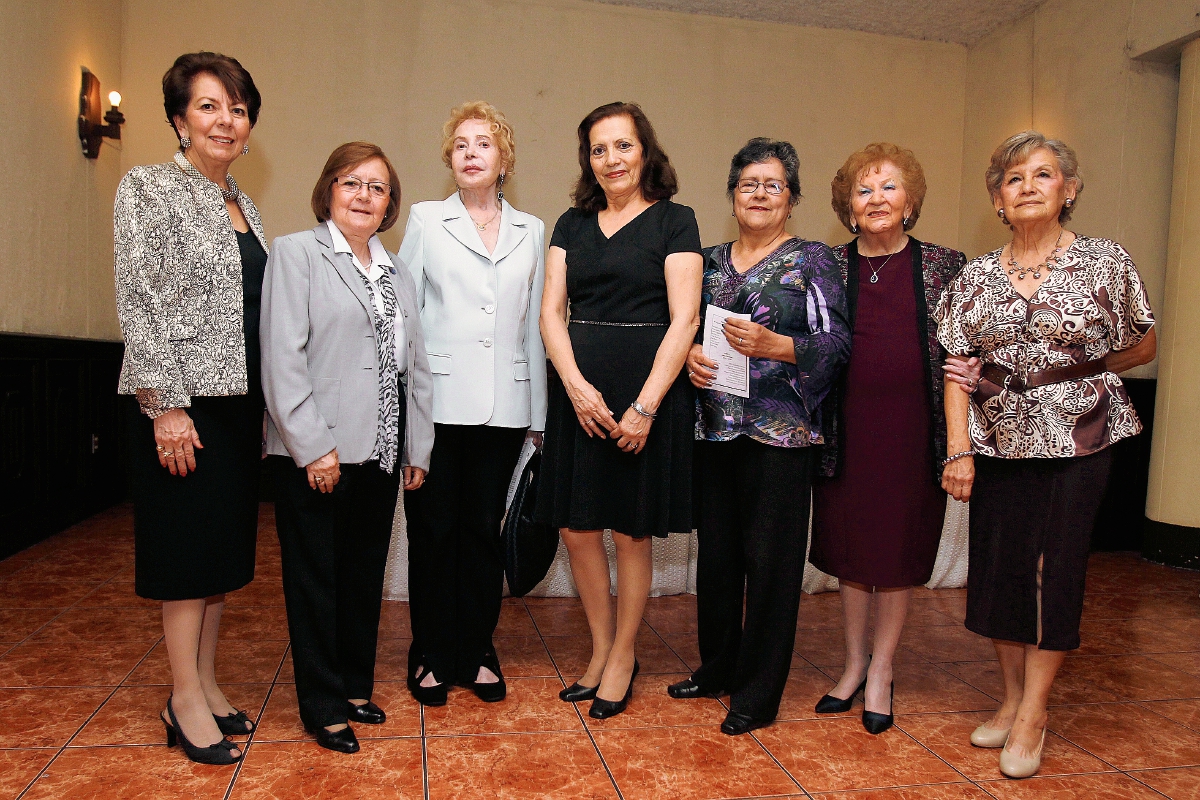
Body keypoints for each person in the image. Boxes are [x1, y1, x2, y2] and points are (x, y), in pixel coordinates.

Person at [936, 131, 1156, 778]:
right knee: (1002, 570)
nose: (1028, 185)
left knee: (1054, 568)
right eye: (1014, 178)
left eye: (1043, 174)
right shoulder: (974, 277)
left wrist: (1074, 374)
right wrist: (958, 450)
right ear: (998, 199)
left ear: (1069, 188)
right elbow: (958, 369)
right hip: (997, 439)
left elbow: (1141, 344)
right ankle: (1008, 699)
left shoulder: (1104, 261)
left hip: (1083, 434)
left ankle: (1034, 712)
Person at [670, 139, 850, 735]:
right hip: (715, 431)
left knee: (771, 568)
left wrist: (781, 347)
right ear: (732, 193)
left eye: (774, 185)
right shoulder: (706, 260)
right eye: (749, 183)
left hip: (782, 437)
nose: (760, 194)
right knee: (717, 561)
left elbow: (838, 344)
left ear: (792, 199)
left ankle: (758, 692)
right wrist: (690, 359)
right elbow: (681, 329)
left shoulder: (813, 260)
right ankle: (717, 668)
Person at [114, 51, 264, 766]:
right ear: (179, 118)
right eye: (208, 106)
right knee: (185, 558)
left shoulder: (245, 203)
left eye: (236, 108)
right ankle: (181, 698)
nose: (224, 120)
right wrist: (165, 407)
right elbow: (138, 300)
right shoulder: (146, 188)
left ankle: (206, 681)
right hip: (185, 404)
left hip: (239, 408)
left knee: (220, 558)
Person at [261, 142, 434, 754]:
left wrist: (418, 446)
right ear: (328, 190)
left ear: (390, 203)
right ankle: (324, 704)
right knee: (316, 582)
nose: (363, 195)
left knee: (363, 575)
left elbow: (413, 366)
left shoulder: (396, 270)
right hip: (318, 454)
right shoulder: (296, 254)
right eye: (350, 182)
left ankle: (356, 685)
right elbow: (282, 359)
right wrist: (312, 447)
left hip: (382, 453)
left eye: (377, 187)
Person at [537, 102, 702, 719]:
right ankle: (600, 648)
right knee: (577, 528)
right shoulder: (571, 224)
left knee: (632, 532)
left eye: (623, 146)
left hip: (646, 390)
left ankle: (625, 654)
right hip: (579, 390)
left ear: (645, 150)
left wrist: (646, 406)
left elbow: (684, 317)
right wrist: (577, 387)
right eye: (599, 149)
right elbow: (552, 312)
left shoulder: (675, 221)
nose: (611, 159)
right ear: (588, 159)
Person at [809, 143, 976, 735]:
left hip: (911, 432)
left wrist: (959, 443)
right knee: (852, 555)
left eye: (888, 187)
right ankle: (852, 665)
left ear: (910, 201)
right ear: (848, 206)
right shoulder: (827, 266)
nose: (875, 199)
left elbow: (963, 356)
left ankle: (882, 670)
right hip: (843, 432)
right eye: (863, 189)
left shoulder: (946, 266)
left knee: (897, 556)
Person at [399, 102, 546, 706]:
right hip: (436, 401)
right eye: (460, 143)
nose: (470, 152)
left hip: (504, 404)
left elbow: (537, 322)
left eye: (483, 143)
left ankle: (478, 647)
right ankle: (431, 651)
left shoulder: (532, 229)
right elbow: (405, 314)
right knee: (433, 531)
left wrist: (538, 416)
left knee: (484, 532)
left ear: (503, 158)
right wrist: (405, 405)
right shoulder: (427, 219)